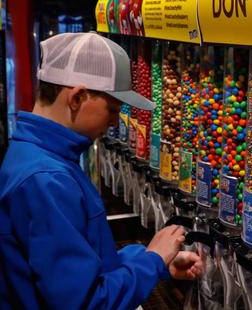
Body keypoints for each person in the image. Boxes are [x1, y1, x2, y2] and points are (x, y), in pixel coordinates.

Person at [0, 32, 203, 309]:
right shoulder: (47, 179)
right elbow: (86, 302)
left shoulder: (35, 156)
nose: (115, 121)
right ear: (77, 97)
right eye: (112, 109)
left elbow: (78, 269)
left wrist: (155, 262)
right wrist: (152, 259)